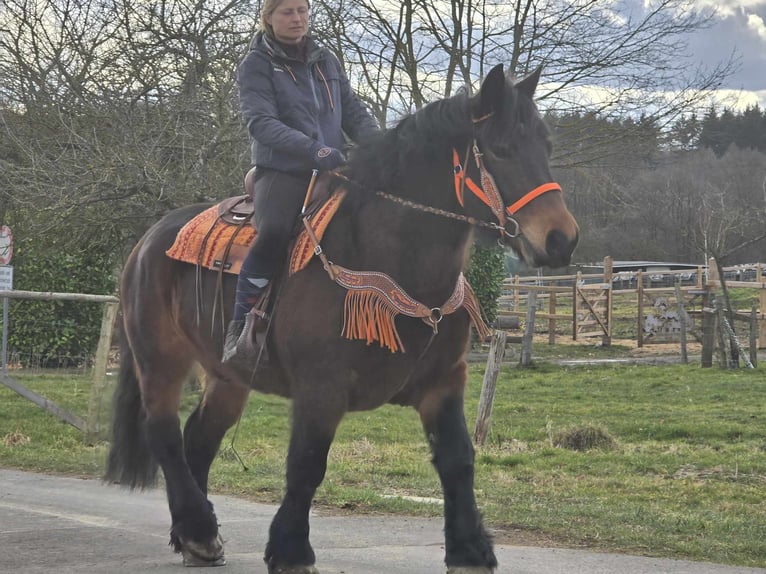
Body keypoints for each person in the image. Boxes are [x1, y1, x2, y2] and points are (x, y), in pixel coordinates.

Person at [224, 0, 379, 363]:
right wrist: (315, 150)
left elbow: (353, 111)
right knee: (275, 231)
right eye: (288, 12)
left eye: (303, 10)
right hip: (282, 170)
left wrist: (381, 145)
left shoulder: (326, 59)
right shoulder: (257, 63)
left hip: (332, 167)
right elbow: (261, 122)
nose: (297, 19)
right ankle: (240, 326)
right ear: (268, 17)